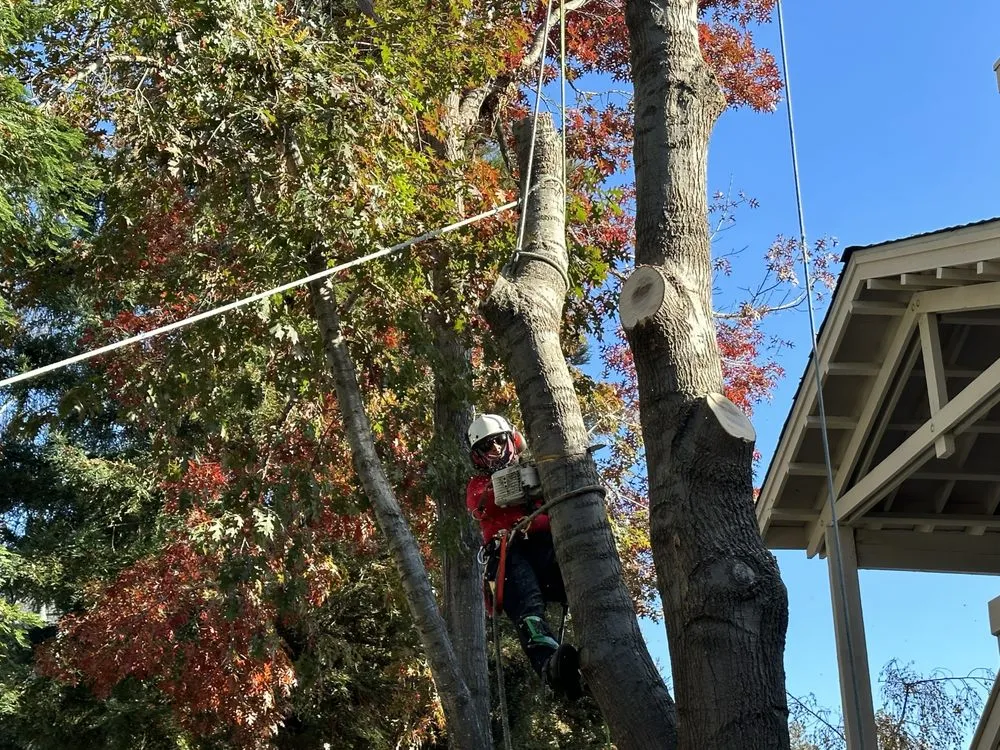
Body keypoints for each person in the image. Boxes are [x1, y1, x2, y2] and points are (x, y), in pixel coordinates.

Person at [465, 413, 582, 699]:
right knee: (528, 607)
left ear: (511, 440)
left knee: (581, 587)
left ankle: (589, 658)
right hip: (507, 556)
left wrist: (540, 481)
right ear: (478, 456)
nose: (494, 450)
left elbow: (558, 509)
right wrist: (517, 484)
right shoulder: (479, 486)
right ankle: (550, 665)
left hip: (545, 552)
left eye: (497, 442)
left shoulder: (540, 472)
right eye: (486, 447)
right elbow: (481, 506)